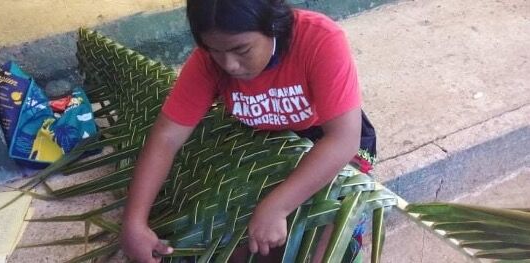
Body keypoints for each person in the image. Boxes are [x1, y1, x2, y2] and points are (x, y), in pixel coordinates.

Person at [119, 0, 377, 262]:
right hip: (264, 142)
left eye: (241, 49)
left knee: (322, 244)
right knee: (246, 246)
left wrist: (278, 205)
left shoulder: (319, 39)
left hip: (323, 138)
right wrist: (133, 222)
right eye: (215, 50)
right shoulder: (208, 63)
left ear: (273, 25)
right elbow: (167, 136)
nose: (229, 64)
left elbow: (343, 140)